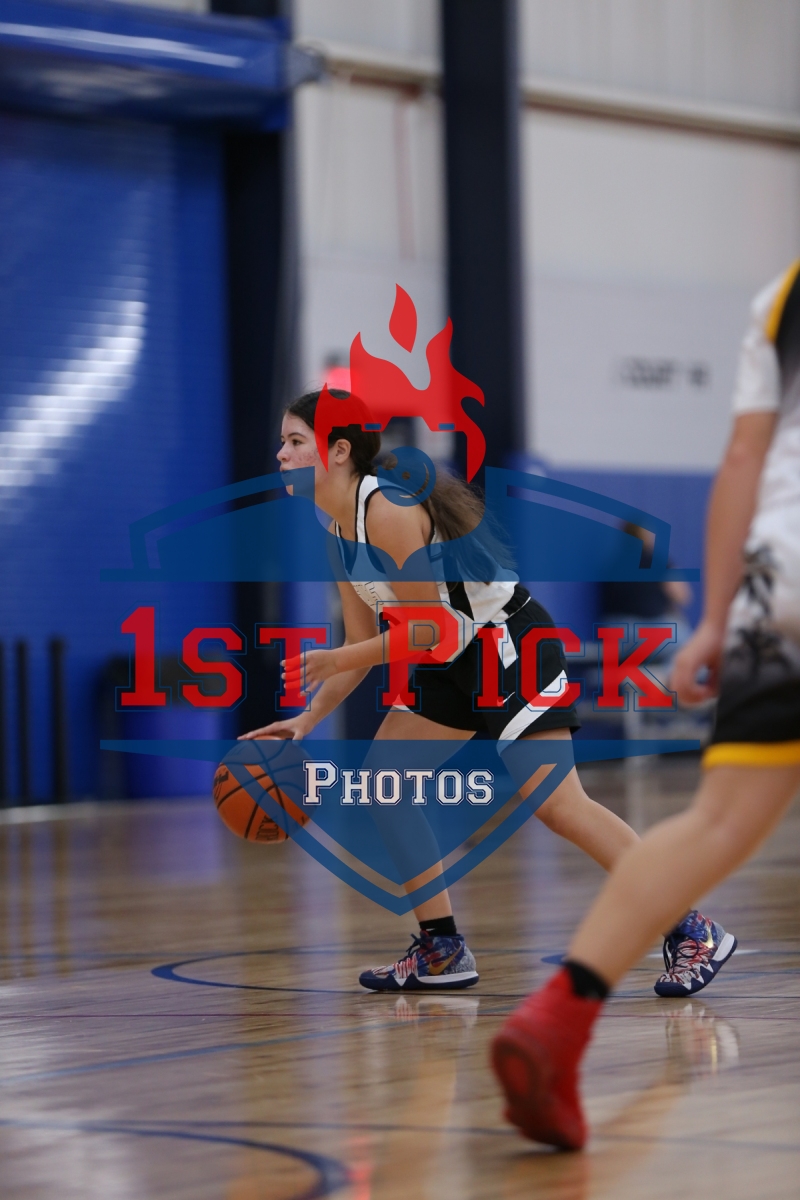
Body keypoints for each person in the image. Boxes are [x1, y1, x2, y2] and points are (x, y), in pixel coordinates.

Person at [241, 389, 735, 996]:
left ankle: (692, 928)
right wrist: (307, 718)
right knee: (385, 785)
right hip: (451, 660)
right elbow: (364, 640)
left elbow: (427, 629)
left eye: (295, 441)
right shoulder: (337, 533)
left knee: (560, 806)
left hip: (508, 645)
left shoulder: (388, 508)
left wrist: (339, 658)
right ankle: (441, 948)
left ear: (338, 451)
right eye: (284, 442)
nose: (281, 454)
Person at [491, 261, 800, 1150]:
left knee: (715, 822)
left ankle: (557, 1019)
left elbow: (742, 460)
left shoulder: (781, 295)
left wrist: (714, 621)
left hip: (778, 579)